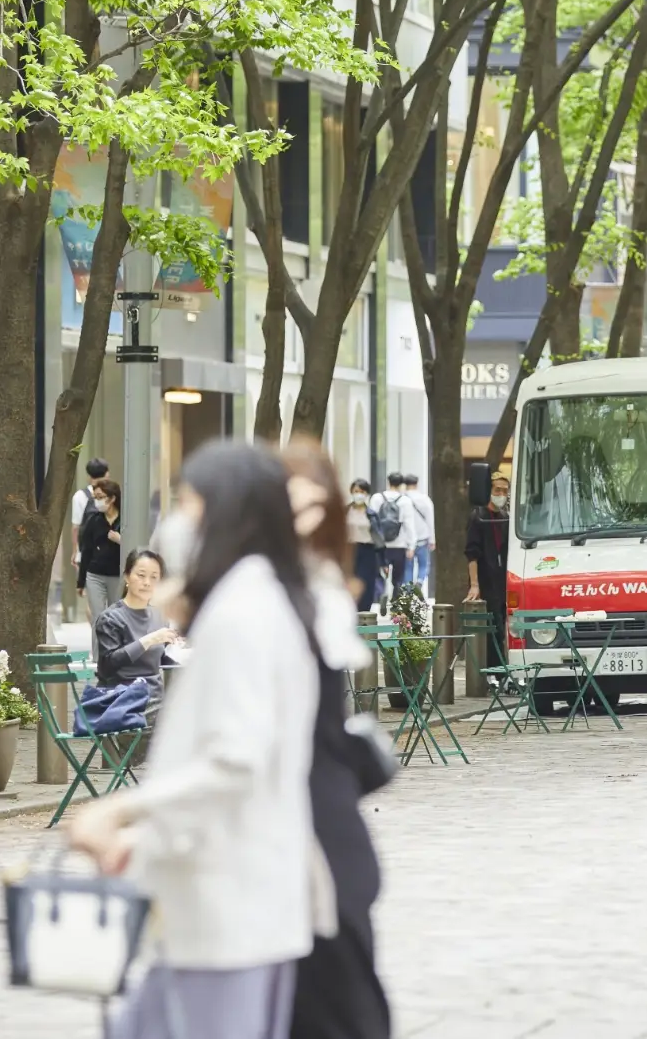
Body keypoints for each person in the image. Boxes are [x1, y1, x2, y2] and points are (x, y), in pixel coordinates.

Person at [69, 440, 320, 1039]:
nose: (176, 520)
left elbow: (235, 762)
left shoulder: (243, 613)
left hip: (226, 911)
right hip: (221, 902)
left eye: (188, 503)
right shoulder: (254, 601)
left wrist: (122, 809)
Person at [282, 441, 391, 1039]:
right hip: (301, 842)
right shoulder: (286, 588)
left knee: (344, 1011)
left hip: (319, 842)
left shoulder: (311, 593)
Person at [94, 549, 175, 702]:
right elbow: (107, 666)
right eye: (141, 575)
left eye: (154, 577)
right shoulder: (111, 618)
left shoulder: (160, 616)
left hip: (155, 699)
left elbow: (160, 659)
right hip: (122, 701)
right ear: (127, 577)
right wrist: (149, 640)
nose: (147, 583)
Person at [464, 470, 510, 659]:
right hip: (486, 578)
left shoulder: (507, 517)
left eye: (505, 491)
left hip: (504, 579)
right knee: (493, 628)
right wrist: (475, 584)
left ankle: (502, 670)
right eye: (497, 490)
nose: (501, 495)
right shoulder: (479, 516)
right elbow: (472, 553)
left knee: (504, 626)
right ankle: (493, 672)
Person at [79, 478, 123, 654]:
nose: (97, 501)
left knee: (117, 616)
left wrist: (121, 540)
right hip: (95, 574)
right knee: (98, 617)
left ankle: (116, 654)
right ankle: (98, 658)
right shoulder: (94, 520)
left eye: (100, 496)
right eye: (95, 497)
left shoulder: (125, 519)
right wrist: (80, 582)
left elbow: (136, 546)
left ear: (112, 498)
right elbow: (86, 551)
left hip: (117, 574)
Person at [369, 473, 416, 605]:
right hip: (399, 545)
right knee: (398, 577)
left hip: (380, 544)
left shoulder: (377, 498)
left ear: (388, 482)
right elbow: (409, 524)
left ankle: (381, 594)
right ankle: (395, 600)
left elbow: (371, 522)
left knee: (379, 575)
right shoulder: (405, 501)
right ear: (401, 484)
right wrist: (411, 546)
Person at [346, 479, 382, 611]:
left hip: (368, 550)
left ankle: (364, 612)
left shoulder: (371, 514)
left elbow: (379, 537)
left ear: (367, 494)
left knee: (366, 582)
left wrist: (383, 561)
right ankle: (350, 609)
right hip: (350, 550)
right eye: (356, 491)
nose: (359, 494)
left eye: (362, 492)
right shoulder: (346, 511)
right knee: (350, 580)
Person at [403, 474, 435, 596]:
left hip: (407, 541)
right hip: (423, 538)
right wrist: (432, 539)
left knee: (408, 568)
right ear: (417, 484)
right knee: (424, 565)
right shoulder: (425, 499)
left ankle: (408, 593)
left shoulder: (402, 499)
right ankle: (420, 582)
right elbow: (430, 520)